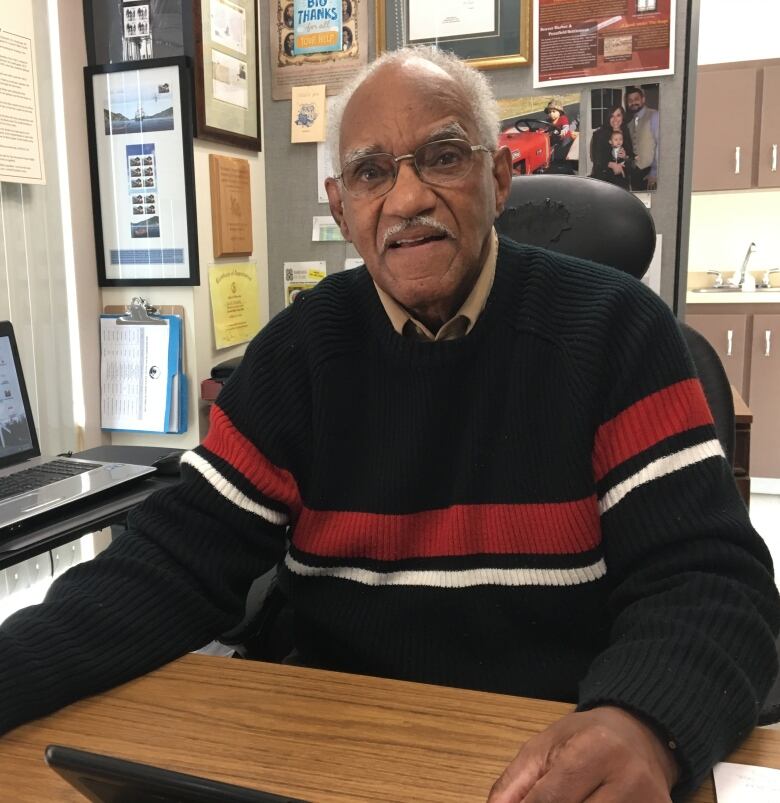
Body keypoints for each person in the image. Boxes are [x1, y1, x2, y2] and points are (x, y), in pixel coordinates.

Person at [1, 46, 778, 803]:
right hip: (335, 748)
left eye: (442, 156)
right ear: (343, 208)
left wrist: (643, 722)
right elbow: (165, 566)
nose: (406, 199)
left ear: (499, 177)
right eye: (372, 172)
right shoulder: (298, 357)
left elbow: (712, 583)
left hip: (550, 754)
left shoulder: (617, 333)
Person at [590, 104, 635, 189]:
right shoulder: (599, 134)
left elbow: (631, 157)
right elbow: (596, 159)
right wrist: (612, 165)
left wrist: (626, 157)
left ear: (623, 117)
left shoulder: (626, 132)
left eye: (618, 115)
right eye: (612, 116)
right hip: (604, 179)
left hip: (622, 179)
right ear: (608, 118)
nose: (615, 119)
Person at [625, 85, 660, 190]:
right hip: (636, 174)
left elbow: (661, 145)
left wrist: (654, 172)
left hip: (651, 172)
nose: (633, 102)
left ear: (643, 99)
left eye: (636, 99)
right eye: (630, 100)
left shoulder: (654, 115)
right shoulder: (630, 123)